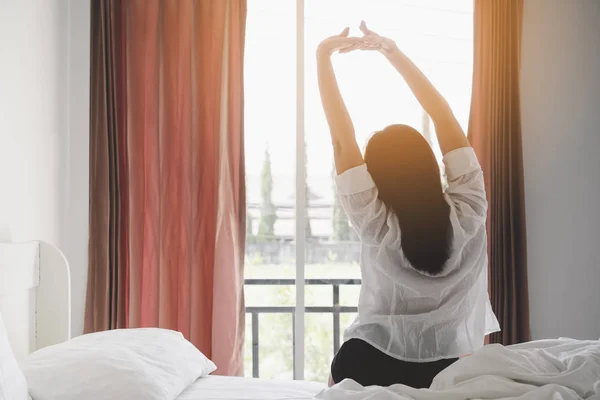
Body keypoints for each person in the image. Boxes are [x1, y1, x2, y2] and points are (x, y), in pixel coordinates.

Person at [317, 22, 500, 389]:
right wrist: (391, 52)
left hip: (365, 362)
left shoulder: (374, 220)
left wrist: (323, 55)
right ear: (431, 165)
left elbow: (341, 141)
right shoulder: (470, 207)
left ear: (378, 178)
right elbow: (443, 116)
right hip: (442, 370)